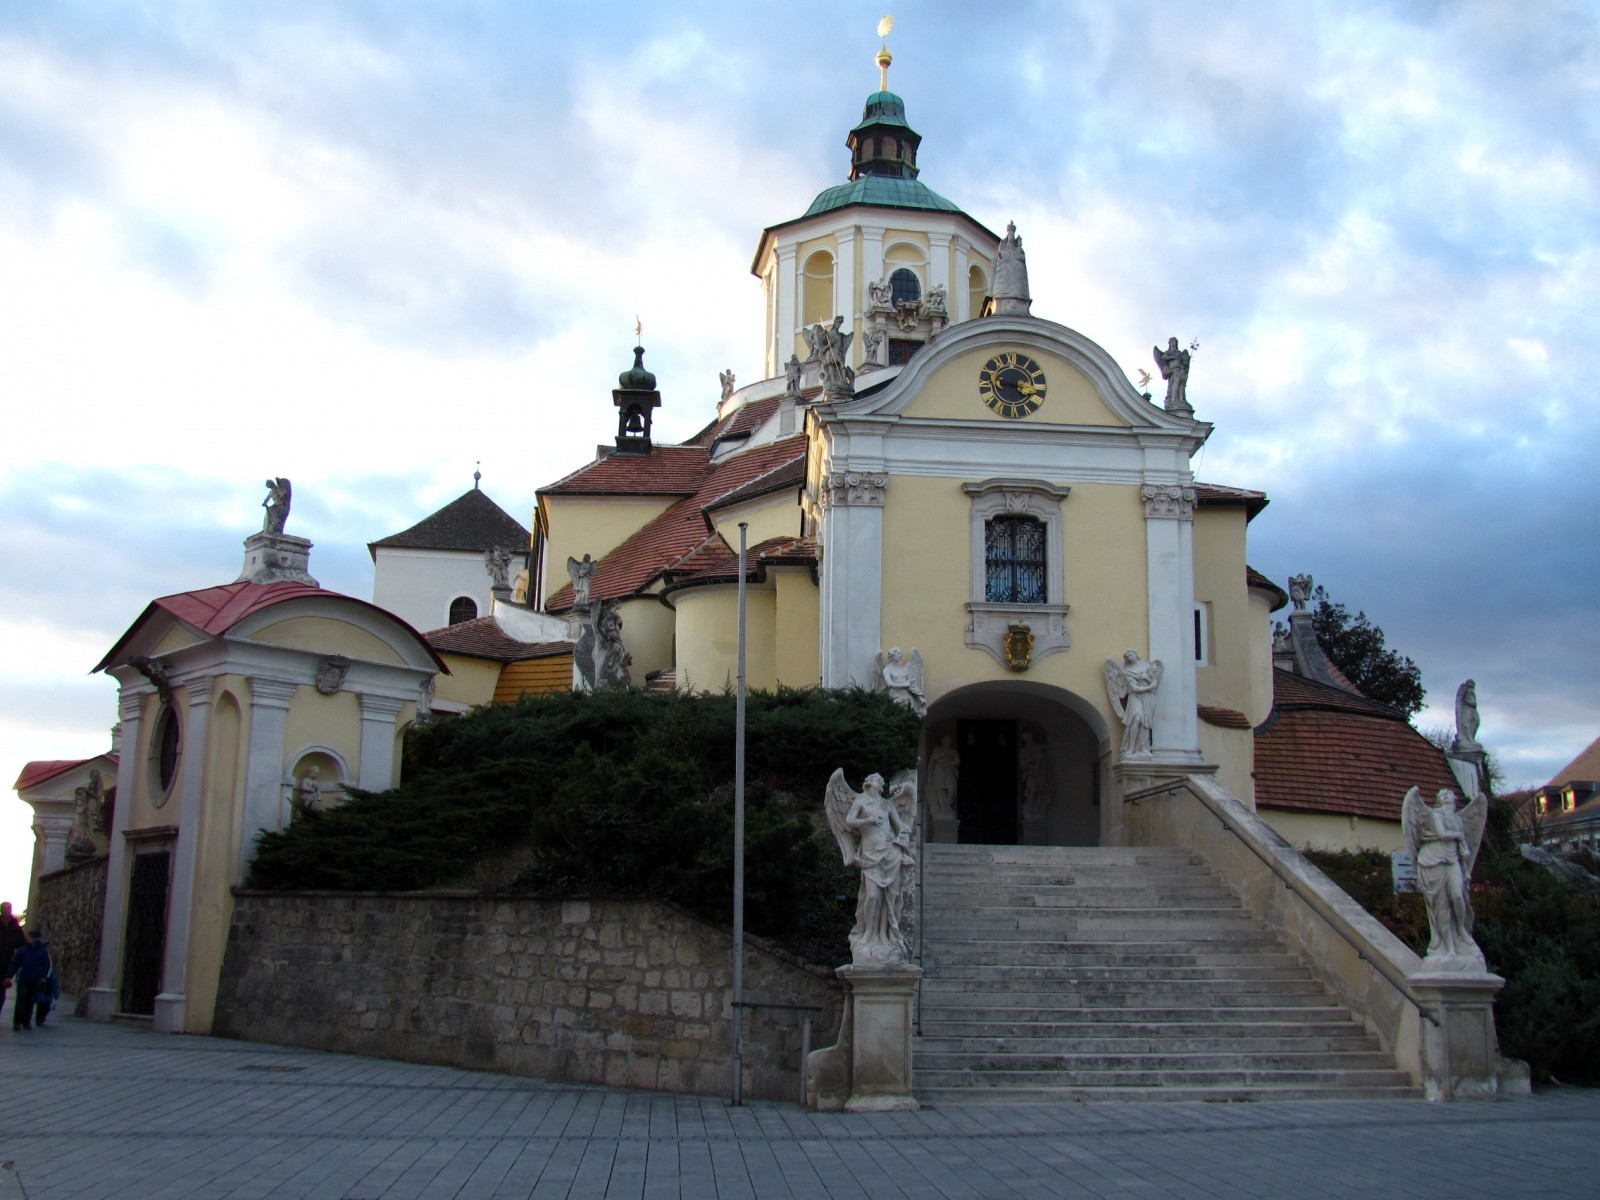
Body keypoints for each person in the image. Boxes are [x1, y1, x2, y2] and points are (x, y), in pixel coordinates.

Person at [9, 929, 52, 1031]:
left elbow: (46, 965)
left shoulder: (42, 952)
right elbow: (15, 963)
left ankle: (26, 1022)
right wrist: (9, 975)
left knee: (30, 1001)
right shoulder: (23, 950)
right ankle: (18, 1022)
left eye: (30, 937)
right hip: (23, 978)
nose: (28, 938)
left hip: (35, 979)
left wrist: (44, 977)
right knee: (21, 1000)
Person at [0, 902, 24, 1023]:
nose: (6, 910)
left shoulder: (16, 927)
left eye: (8, 908)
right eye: (4, 908)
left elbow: (21, 945)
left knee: (1, 992)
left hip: (6, 964)